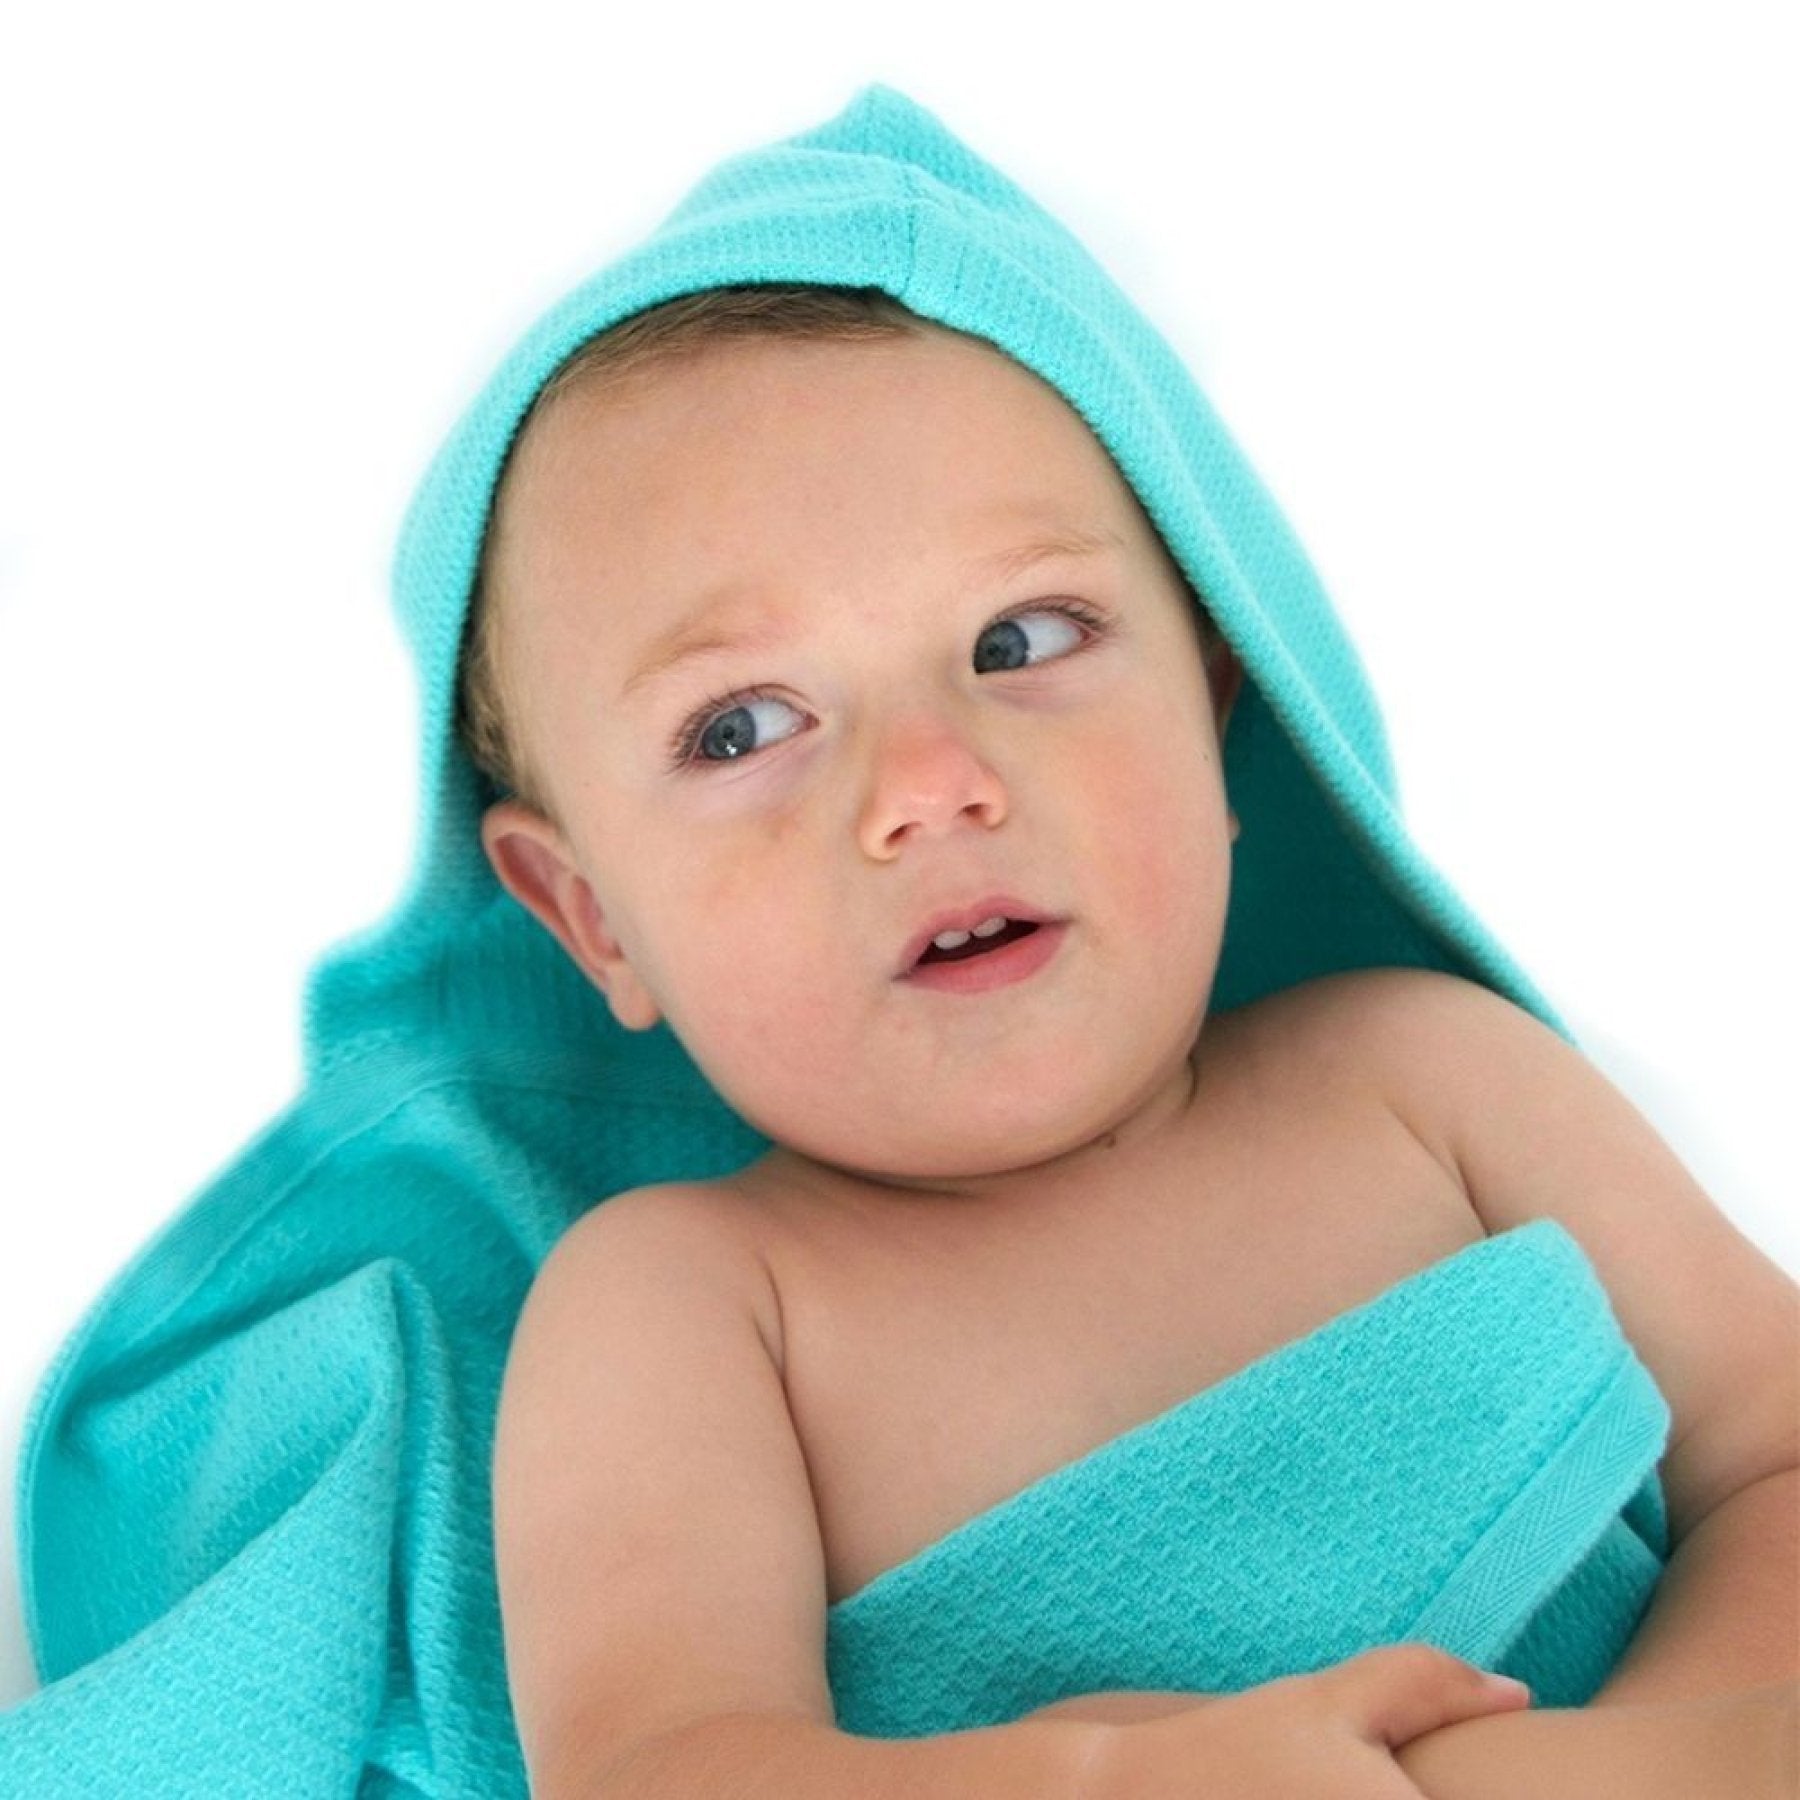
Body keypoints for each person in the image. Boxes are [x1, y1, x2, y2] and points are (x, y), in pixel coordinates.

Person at [3, 85, 1792, 1800]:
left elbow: (1777, 1460)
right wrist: (1101, 1780)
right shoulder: (693, 1306)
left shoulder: (1432, 1080)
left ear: (1216, 702)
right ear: (591, 916)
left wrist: (1601, 1772)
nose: (932, 784)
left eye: (1023, 639)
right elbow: (659, 1770)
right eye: (742, 727)